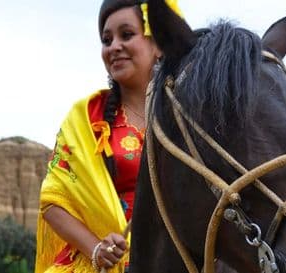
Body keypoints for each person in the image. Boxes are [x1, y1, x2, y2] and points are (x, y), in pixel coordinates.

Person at [35, 1, 182, 272]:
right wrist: (96, 249)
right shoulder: (87, 118)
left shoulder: (188, 118)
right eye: (106, 39)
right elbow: (53, 201)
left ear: (159, 44)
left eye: (126, 35)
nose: (114, 46)